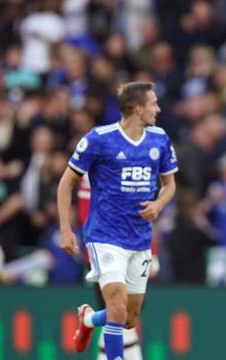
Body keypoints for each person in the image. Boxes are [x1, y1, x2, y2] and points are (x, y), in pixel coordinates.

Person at [57, 82, 178, 359]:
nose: (158, 109)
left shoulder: (159, 139)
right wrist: (66, 229)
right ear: (138, 109)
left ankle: (88, 320)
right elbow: (66, 183)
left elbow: (170, 185)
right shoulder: (99, 139)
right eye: (153, 103)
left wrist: (159, 203)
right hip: (105, 237)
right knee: (118, 306)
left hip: (139, 238)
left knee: (129, 318)